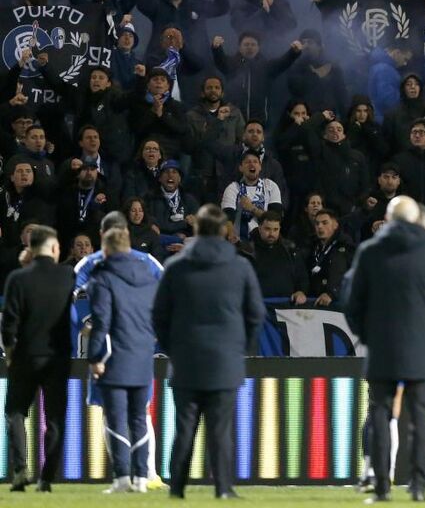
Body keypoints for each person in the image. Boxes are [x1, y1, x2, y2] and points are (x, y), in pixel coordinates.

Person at [343, 197, 425, 501]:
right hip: (422, 346)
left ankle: (382, 487)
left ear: (388, 218)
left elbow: (353, 304)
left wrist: (367, 336)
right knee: (422, 418)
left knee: (381, 415)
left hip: (382, 347)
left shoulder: (370, 251)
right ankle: (419, 487)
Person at [153, 205, 264, 499]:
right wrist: (239, 347)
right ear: (225, 231)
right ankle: (224, 489)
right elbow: (255, 314)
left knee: (184, 427)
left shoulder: (176, 266)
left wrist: (171, 348)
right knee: (220, 430)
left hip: (186, 358)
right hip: (225, 360)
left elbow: (159, 315)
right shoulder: (240, 267)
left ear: (197, 230)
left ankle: (177, 489)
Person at [87, 226, 159, 494]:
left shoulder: (102, 278)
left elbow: (102, 322)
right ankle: (142, 478)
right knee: (139, 418)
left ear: (106, 250)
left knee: (116, 419)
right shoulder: (149, 278)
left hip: (115, 358)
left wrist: (96, 357)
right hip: (142, 357)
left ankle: (122, 479)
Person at [1, 224, 71, 492]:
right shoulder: (67, 276)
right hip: (58, 359)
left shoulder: (18, 279)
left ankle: (20, 469)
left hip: (25, 356)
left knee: (15, 412)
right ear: (54, 248)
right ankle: (46, 479)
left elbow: (9, 325)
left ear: (30, 249)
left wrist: (10, 353)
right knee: (54, 418)